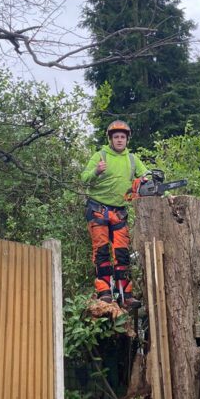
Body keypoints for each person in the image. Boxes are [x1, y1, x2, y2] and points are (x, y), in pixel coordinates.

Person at [81, 119, 147, 304]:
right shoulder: (100, 155)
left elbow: (147, 178)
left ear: (127, 140)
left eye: (122, 137)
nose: (119, 140)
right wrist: (96, 171)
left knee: (122, 253)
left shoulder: (133, 159)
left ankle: (126, 294)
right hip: (97, 208)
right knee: (101, 251)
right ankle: (104, 291)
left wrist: (164, 193)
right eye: (116, 137)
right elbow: (84, 178)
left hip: (120, 210)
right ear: (110, 139)